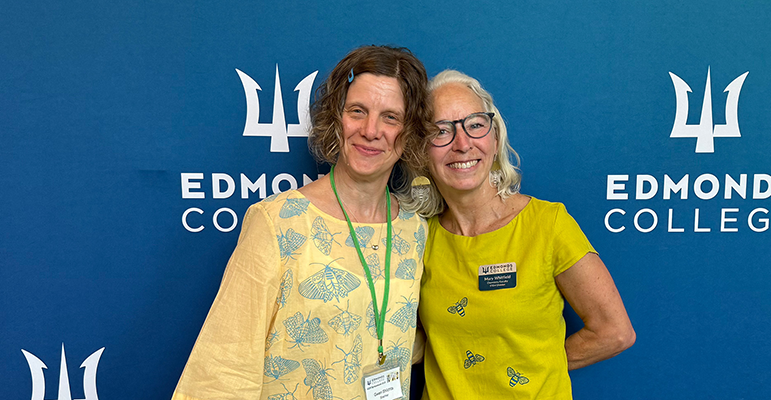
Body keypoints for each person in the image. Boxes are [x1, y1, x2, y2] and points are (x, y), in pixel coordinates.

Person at [172, 45, 436, 400]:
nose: (371, 130)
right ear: (336, 118)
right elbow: (223, 369)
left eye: (391, 117)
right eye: (357, 111)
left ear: (409, 132)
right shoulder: (277, 223)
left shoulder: (415, 230)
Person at [415, 70, 635, 399]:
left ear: (494, 136)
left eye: (474, 124)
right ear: (420, 149)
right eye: (440, 131)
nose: (462, 144)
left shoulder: (547, 225)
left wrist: (534, 366)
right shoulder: (418, 237)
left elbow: (615, 332)